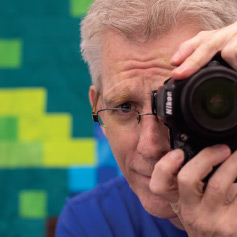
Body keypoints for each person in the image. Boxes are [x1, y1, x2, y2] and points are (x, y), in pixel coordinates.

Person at [56, 0, 237, 236]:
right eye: (124, 107)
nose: (150, 148)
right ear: (97, 107)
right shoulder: (92, 223)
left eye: (178, 106)